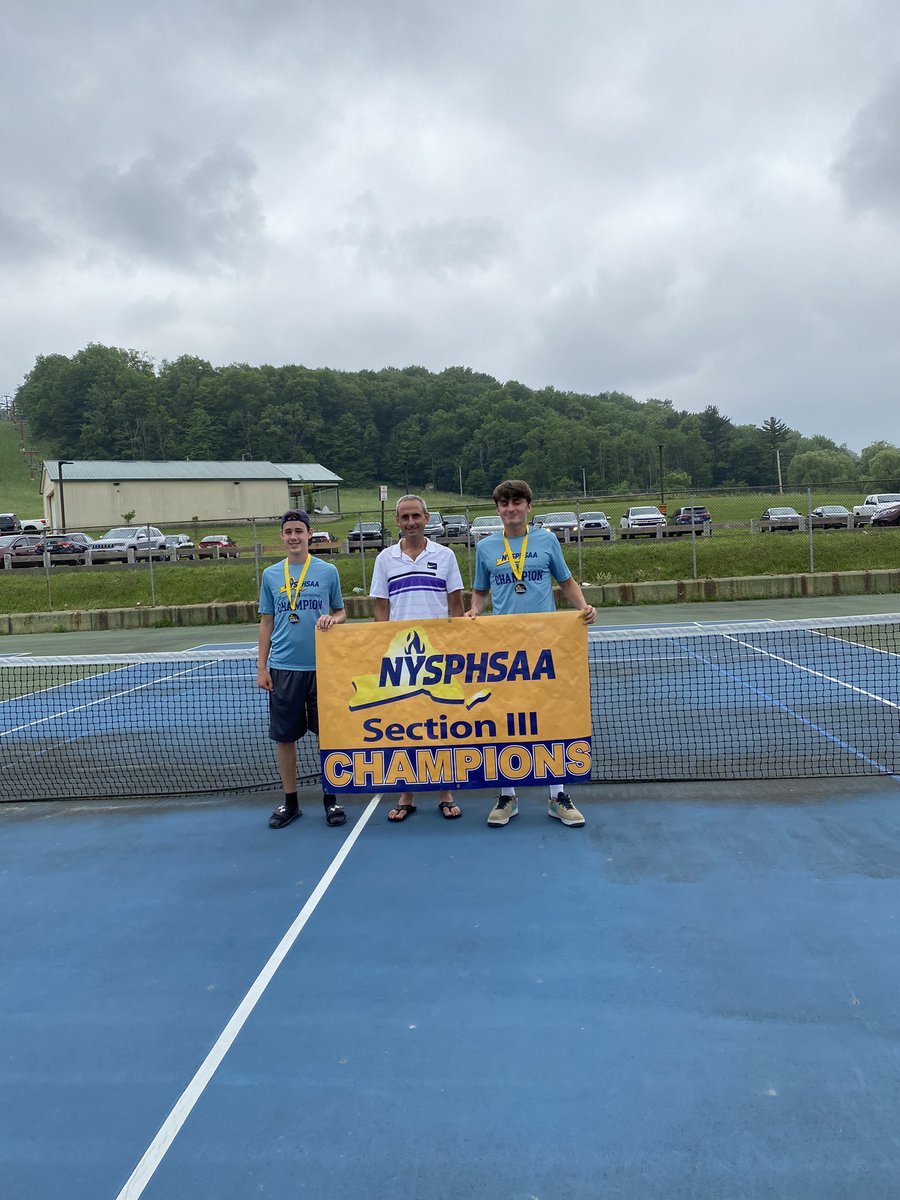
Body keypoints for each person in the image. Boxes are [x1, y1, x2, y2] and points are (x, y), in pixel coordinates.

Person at [466, 479, 596, 828]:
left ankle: (557, 796)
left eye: (517, 502)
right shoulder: (486, 547)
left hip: (544, 644)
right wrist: (475, 610)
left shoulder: (547, 540)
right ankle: (507, 795)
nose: (511, 508)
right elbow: (480, 591)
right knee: (506, 719)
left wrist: (583, 607)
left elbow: (565, 582)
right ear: (497, 509)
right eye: (504, 503)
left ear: (528, 506)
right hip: (504, 648)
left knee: (549, 717)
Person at [370, 494, 466, 822]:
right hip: (400, 661)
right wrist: (383, 649)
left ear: (426, 518)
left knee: (441, 727)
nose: (411, 521)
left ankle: (445, 791)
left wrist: (455, 648)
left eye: (416, 516)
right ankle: (407, 793)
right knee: (404, 727)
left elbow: (456, 605)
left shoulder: (446, 556)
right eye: (404, 517)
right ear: (397, 521)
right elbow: (381, 608)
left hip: (437, 659)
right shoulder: (385, 559)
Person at [258, 509, 347, 829]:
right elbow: (266, 621)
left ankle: (331, 798)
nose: (293, 536)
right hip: (283, 669)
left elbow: (341, 612)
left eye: (299, 531)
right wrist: (262, 667)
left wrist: (331, 620)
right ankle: (290, 802)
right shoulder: (270, 575)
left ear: (310, 534)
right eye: (288, 532)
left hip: (323, 668)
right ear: (281, 536)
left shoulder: (327, 572)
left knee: (329, 737)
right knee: (286, 738)